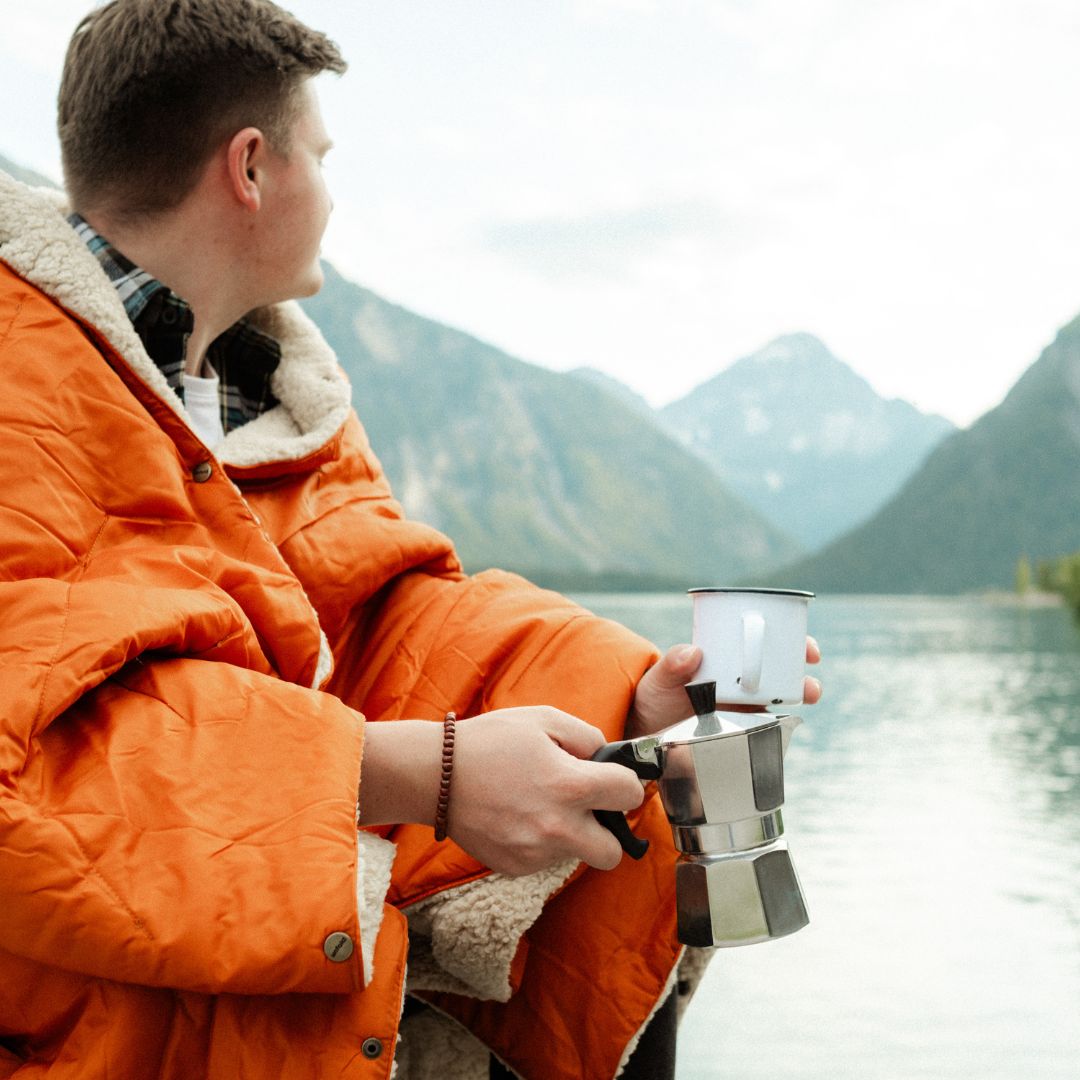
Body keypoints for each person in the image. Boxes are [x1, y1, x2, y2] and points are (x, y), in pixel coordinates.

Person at [0, 2, 820, 1078]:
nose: (335, 196)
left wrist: (631, 702)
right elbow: (40, 750)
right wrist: (427, 776)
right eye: (323, 157)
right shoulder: (25, 388)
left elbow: (391, 620)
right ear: (251, 169)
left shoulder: (265, 400)